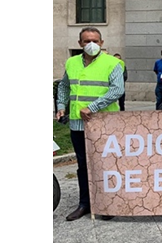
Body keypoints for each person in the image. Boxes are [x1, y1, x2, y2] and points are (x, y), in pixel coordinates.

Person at [56, 27, 124, 221]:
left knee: (106, 163)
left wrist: (93, 107)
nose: (91, 44)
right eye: (86, 41)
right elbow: (64, 85)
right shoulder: (71, 62)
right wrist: (61, 106)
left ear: (102, 43)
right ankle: (85, 203)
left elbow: (117, 90)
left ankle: (107, 203)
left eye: (95, 40)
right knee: (83, 165)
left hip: (104, 123)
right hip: (78, 124)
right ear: (80, 44)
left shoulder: (113, 63)